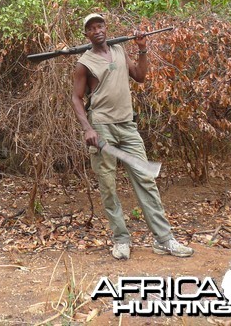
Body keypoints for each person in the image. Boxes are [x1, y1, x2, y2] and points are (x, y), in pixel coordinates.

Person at [71, 13, 194, 260]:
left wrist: (142, 49)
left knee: (145, 179)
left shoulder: (119, 50)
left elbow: (139, 76)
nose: (97, 31)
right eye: (91, 28)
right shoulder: (84, 63)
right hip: (102, 128)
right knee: (108, 185)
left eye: (100, 26)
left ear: (106, 28)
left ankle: (164, 239)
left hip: (127, 127)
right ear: (86, 34)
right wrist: (88, 128)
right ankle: (121, 240)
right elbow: (76, 98)